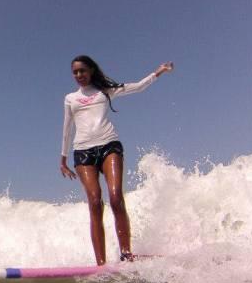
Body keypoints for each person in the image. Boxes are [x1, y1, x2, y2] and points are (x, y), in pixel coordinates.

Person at [59, 55, 174, 265]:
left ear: (91, 70)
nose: (79, 75)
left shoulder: (105, 91)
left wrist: (158, 72)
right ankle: (100, 264)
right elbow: (67, 128)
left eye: (82, 70)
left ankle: (126, 253)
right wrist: (63, 159)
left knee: (115, 197)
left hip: (109, 145)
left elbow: (138, 87)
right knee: (94, 201)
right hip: (83, 152)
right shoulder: (70, 98)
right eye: (75, 72)